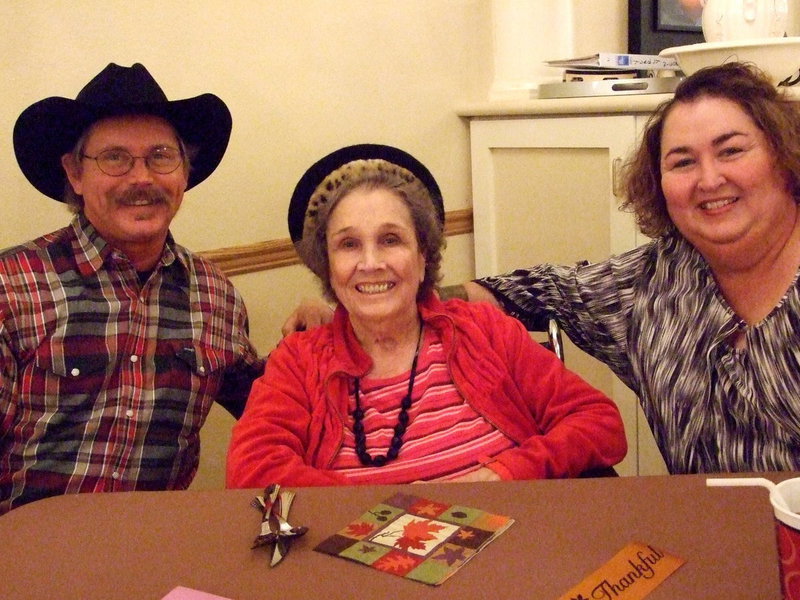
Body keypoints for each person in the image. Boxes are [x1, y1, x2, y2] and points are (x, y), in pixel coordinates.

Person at [282, 63, 800, 476]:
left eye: (732, 151)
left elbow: (595, 426)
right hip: (714, 548)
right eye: (682, 162)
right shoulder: (647, 287)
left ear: (783, 154)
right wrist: (373, 301)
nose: (709, 179)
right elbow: (534, 289)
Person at [226, 144, 626, 488]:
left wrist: (504, 473)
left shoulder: (483, 331)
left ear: (422, 258)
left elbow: (599, 422)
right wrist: (390, 509)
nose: (370, 262)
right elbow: (253, 470)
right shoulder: (300, 360)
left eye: (391, 239)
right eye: (348, 244)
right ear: (328, 267)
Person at [0, 63, 264, 514]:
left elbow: (270, 410)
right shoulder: (12, 286)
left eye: (160, 156)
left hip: (151, 553)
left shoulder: (216, 296)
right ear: (75, 174)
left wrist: (323, 337)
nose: (141, 178)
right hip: (23, 558)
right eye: (115, 158)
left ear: (183, 174)